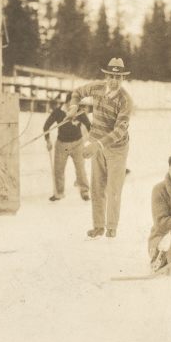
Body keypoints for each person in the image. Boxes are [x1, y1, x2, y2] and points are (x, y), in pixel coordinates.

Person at [66, 57, 134, 239]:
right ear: (106, 76)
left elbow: (120, 130)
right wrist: (73, 107)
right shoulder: (96, 88)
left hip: (117, 148)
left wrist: (97, 145)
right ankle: (98, 226)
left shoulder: (126, 100)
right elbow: (77, 92)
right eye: (111, 76)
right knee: (97, 187)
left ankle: (112, 226)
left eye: (118, 78)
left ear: (123, 79)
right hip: (97, 145)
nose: (114, 81)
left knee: (113, 189)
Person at [43, 93, 92, 202]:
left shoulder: (79, 112)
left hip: (77, 144)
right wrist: (48, 140)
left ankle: (84, 192)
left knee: (81, 170)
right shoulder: (58, 112)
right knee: (58, 170)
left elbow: (89, 126)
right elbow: (46, 126)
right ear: (67, 102)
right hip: (61, 145)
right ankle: (58, 193)